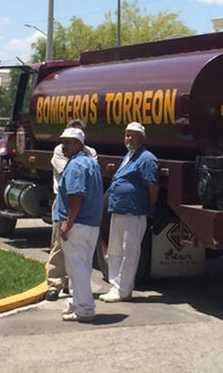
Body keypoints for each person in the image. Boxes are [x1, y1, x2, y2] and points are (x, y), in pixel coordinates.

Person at [99, 122, 159, 303]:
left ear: (142, 138)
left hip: (133, 212)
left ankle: (124, 289)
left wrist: (148, 206)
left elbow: (152, 187)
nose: (129, 138)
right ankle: (115, 286)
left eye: (134, 135)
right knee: (115, 250)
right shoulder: (128, 155)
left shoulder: (147, 159)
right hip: (118, 210)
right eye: (127, 135)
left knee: (129, 252)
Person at [51, 125, 104, 323]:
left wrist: (68, 223)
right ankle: (77, 302)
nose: (63, 146)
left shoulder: (75, 166)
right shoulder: (91, 163)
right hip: (91, 224)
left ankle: (85, 309)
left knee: (76, 267)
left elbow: (77, 197)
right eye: (62, 142)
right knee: (83, 266)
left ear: (78, 144)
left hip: (78, 224)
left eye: (67, 142)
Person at [45, 119, 97, 302]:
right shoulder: (60, 151)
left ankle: (74, 286)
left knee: (78, 250)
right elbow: (67, 172)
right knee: (59, 245)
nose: (64, 143)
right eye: (65, 138)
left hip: (82, 205)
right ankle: (55, 284)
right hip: (63, 202)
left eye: (71, 138)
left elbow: (85, 177)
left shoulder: (90, 152)